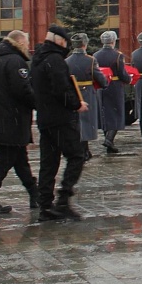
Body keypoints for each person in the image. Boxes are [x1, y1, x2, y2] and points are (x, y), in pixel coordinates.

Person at [31, 24, 89, 221]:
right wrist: (76, 104)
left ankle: (45, 207)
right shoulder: (55, 60)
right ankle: (63, 200)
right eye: (64, 41)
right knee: (77, 155)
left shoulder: (38, 59)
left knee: (49, 162)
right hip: (61, 118)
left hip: (45, 118)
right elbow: (61, 89)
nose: (65, 45)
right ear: (58, 40)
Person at [0, 30, 38, 215]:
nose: (28, 48)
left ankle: (35, 194)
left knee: (19, 159)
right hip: (13, 118)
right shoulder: (15, 61)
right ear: (19, 42)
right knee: (4, 159)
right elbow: (22, 90)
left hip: (2, 118)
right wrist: (40, 103)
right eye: (26, 43)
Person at [65, 33, 108, 159]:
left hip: (73, 93)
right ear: (85, 44)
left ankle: (80, 148)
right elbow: (99, 77)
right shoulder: (90, 60)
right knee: (87, 122)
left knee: (76, 121)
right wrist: (104, 83)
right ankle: (84, 150)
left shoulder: (66, 61)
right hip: (88, 92)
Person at [94, 31, 132, 154]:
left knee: (105, 113)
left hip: (101, 87)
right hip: (115, 87)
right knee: (116, 113)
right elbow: (122, 73)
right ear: (114, 41)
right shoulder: (118, 56)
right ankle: (109, 139)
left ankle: (108, 140)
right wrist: (129, 79)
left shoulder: (95, 55)